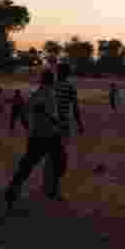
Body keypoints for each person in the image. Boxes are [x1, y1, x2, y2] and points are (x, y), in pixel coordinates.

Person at [1, 70, 67, 219]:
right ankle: (17, 190)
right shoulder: (46, 93)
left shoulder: (42, 92)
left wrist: (29, 127)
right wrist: (54, 122)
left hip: (41, 135)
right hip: (47, 136)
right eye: (52, 78)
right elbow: (42, 110)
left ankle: (14, 189)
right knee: (57, 162)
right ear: (50, 80)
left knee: (31, 164)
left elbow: (26, 110)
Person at [42, 62, 85, 199]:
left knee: (51, 157)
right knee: (60, 158)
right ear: (67, 73)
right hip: (63, 126)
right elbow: (76, 108)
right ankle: (54, 189)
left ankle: (48, 187)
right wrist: (80, 124)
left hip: (49, 125)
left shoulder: (51, 86)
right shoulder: (70, 87)